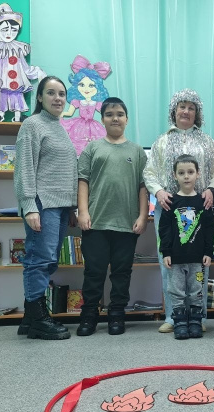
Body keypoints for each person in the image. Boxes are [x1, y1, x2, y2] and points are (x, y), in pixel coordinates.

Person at [143, 89, 214, 333]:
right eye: (181, 107)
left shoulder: (208, 142)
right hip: (169, 210)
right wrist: (158, 192)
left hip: (199, 209)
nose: (186, 111)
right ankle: (172, 316)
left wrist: (211, 189)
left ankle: (199, 317)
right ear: (174, 111)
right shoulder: (161, 142)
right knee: (169, 262)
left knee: (200, 265)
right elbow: (149, 173)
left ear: (197, 113)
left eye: (191, 108)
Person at [75, 97, 148, 336]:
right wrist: (83, 211)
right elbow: (83, 181)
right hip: (95, 222)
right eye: (109, 114)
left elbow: (143, 187)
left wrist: (143, 215)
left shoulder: (137, 151)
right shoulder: (92, 148)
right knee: (93, 272)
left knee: (121, 273)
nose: (115, 118)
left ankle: (117, 314)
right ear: (102, 119)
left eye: (119, 114)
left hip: (126, 224)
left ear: (127, 119)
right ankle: (89, 316)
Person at [14, 75, 77, 340]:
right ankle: (39, 319)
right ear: (39, 97)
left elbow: (65, 170)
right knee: (38, 260)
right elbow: (24, 168)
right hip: (42, 203)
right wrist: (29, 205)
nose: (57, 98)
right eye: (51, 93)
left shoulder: (60, 127)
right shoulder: (33, 124)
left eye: (61, 94)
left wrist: (71, 207)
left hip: (60, 206)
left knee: (47, 260)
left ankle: (30, 319)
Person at [159, 155, 214, 339]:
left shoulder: (203, 202)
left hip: (197, 260)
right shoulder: (171, 202)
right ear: (175, 175)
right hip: (176, 259)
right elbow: (164, 229)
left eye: (190, 172)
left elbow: (210, 229)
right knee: (176, 290)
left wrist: (208, 251)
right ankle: (180, 322)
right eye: (181, 173)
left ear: (198, 174)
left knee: (196, 291)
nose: (186, 176)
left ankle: (196, 321)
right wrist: (166, 252)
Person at [0, 3, 45, 122]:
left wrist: (36, 72)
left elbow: (24, 67)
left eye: (14, 30)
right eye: (5, 29)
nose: (9, 33)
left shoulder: (18, 49)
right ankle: (0, 114)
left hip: (16, 83)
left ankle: (18, 117)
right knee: (2, 97)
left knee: (17, 98)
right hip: (2, 82)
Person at [60, 55, 111, 157]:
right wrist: (62, 114)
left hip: (93, 126)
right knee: (77, 142)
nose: (86, 89)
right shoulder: (77, 101)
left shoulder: (96, 103)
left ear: (98, 88)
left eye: (91, 85)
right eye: (82, 85)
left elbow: (104, 113)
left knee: (96, 145)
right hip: (79, 125)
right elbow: (69, 112)